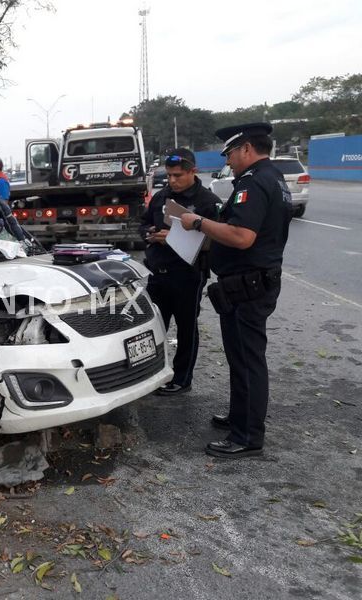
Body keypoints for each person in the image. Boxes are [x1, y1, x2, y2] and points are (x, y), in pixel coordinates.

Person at [179, 123, 291, 459]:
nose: (228, 161)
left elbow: (242, 236)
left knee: (247, 361)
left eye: (229, 153)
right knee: (240, 358)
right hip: (248, 284)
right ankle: (239, 418)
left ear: (245, 148)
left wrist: (196, 223)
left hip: (250, 286)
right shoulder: (273, 177)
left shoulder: (255, 182)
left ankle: (247, 437)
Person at [139, 148, 219, 396]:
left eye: (178, 175)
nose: (172, 180)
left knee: (186, 329)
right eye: (169, 175)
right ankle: (152, 374)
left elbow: (214, 239)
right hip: (158, 273)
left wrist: (172, 238)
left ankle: (182, 379)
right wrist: (149, 233)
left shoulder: (207, 201)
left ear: (192, 171)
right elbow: (142, 223)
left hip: (187, 275)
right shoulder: (161, 196)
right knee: (153, 328)